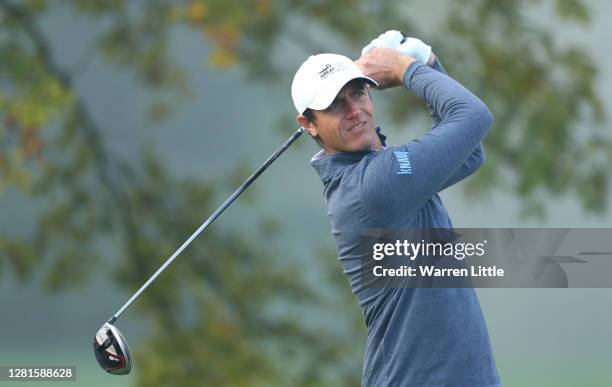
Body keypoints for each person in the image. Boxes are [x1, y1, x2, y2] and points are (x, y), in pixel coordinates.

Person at [291, 31, 502, 387]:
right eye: (333, 105)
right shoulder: (374, 187)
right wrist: (408, 68)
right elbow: (473, 116)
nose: (354, 111)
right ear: (308, 124)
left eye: (357, 92)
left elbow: (471, 151)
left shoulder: (385, 175)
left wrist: (429, 63)